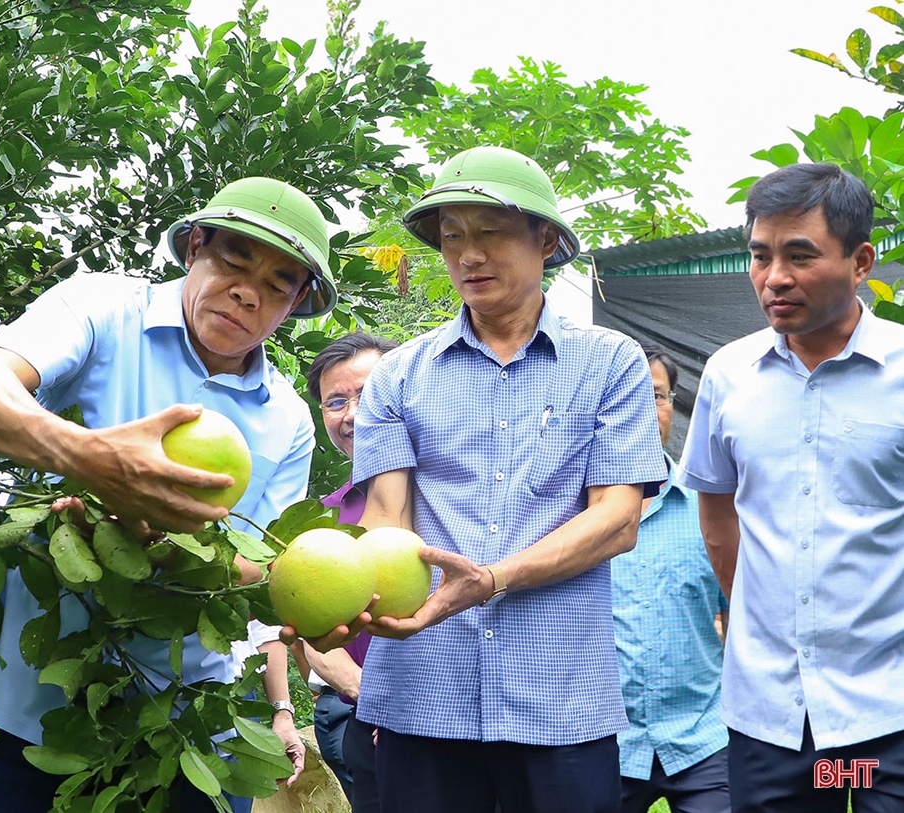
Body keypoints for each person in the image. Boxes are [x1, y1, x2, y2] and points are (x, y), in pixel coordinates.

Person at [0, 176, 336, 813]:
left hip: (188, 725)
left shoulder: (287, 419)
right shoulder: (100, 308)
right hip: (31, 709)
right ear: (195, 246)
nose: (246, 292)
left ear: (297, 303)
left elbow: (257, 564)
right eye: (235, 260)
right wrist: (89, 457)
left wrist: (170, 552)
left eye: (278, 284)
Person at [292, 146, 665, 813]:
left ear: (546, 239)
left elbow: (617, 519)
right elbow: (386, 521)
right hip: (422, 696)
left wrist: (492, 579)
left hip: (560, 701)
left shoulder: (610, 364)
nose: (468, 254)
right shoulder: (399, 377)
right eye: (453, 236)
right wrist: (341, 603)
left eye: (489, 231)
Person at [679, 162, 904, 812]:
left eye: (800, 256)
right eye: (760, 256)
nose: (774, 277)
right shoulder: (728, 376)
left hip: (882, 717)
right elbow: (716, 510)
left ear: (861, 261)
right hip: (771, 719)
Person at [611, 344, 730, 813]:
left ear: (674, 408)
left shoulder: (711, 509)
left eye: (656, 396)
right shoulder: (567, 517)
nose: (643, 411)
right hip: (601, 741)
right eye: (626, 396)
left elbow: (738, 614)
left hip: (704, 737)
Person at [297, 332, 395, 810]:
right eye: (336, 402)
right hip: (365, 724)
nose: (352, 414)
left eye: (369, 393)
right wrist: (371, 699)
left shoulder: (454, 498)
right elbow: (306, 631)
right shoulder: (323, 519)